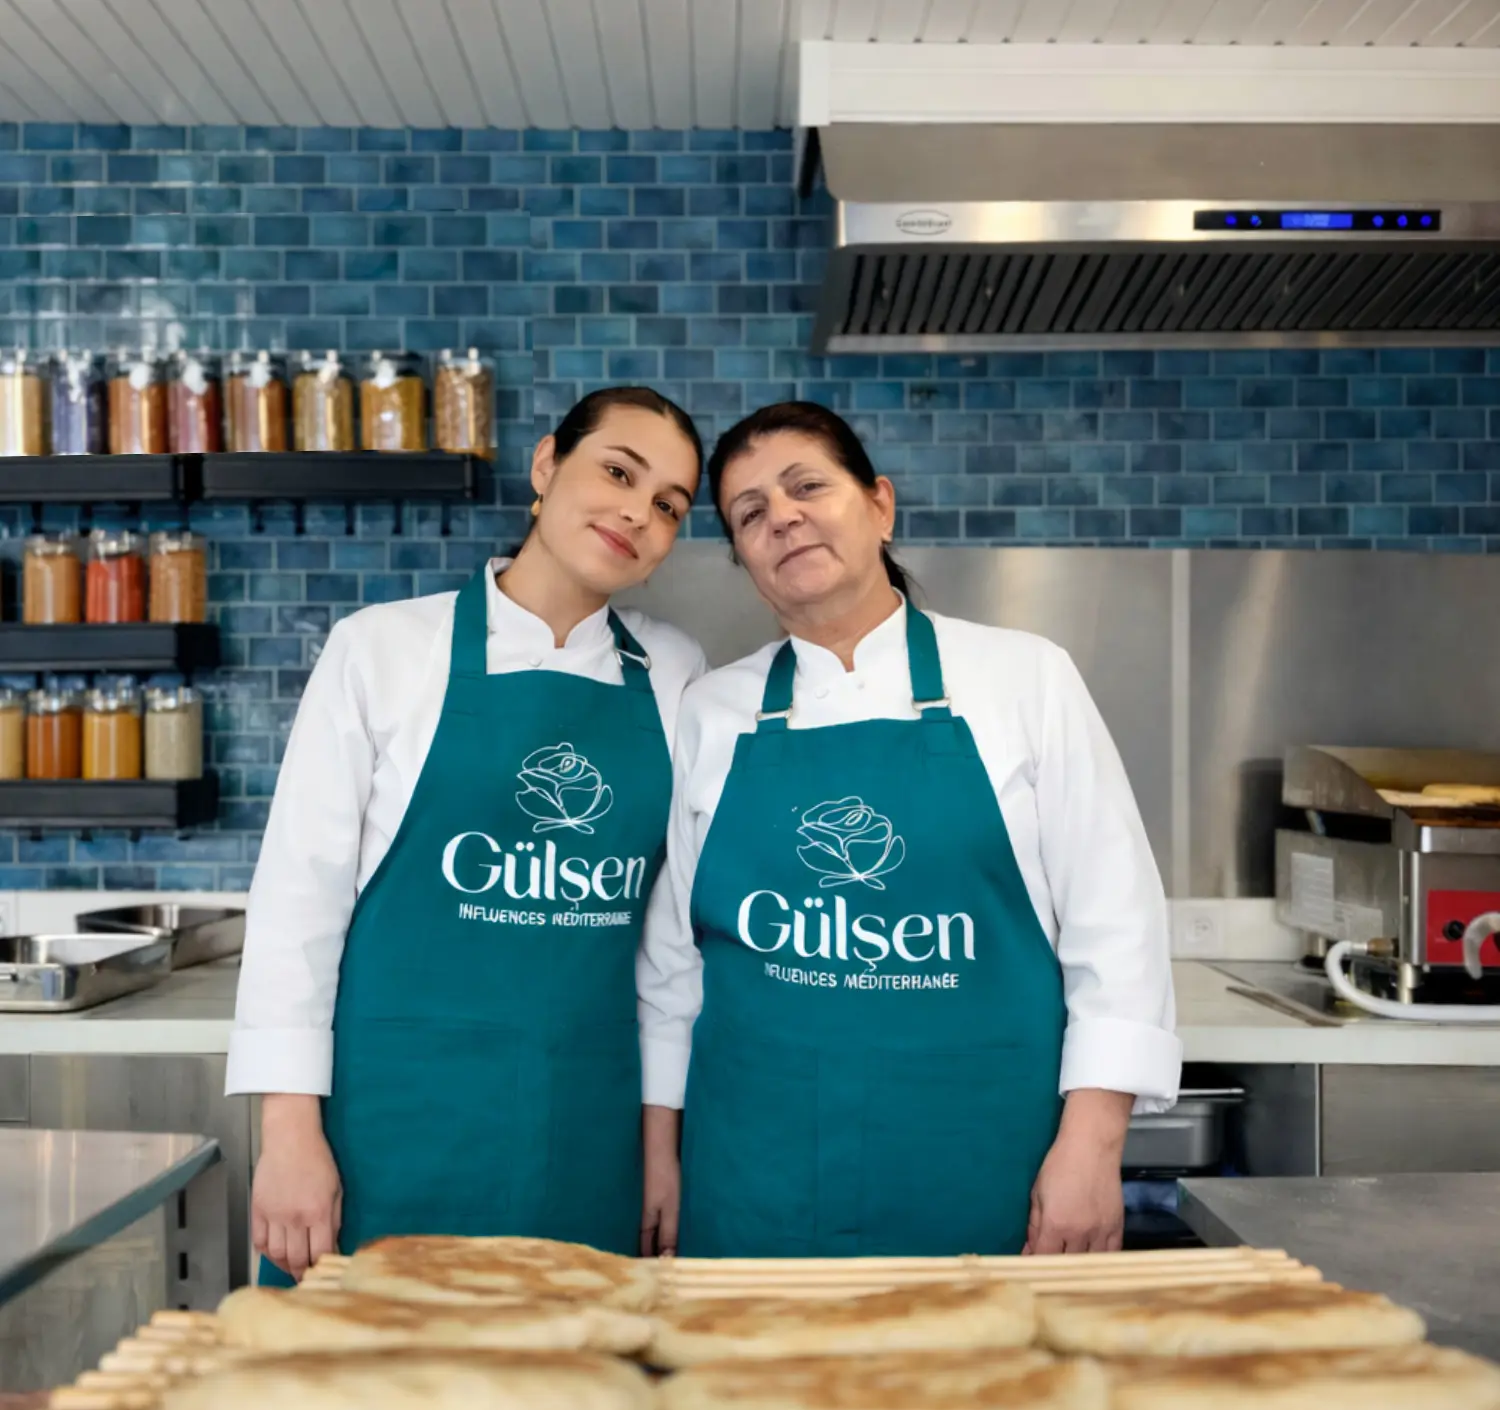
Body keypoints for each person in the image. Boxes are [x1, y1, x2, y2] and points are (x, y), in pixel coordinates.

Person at [637, 401, 1181, 1261]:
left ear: (880, 505)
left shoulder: (1024, 679)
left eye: (807, 487)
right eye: (750, 513)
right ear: (744, 559)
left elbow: (1117, 929)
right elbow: (672, 969)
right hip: (754, 1174)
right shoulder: (711, 711)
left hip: (982, 1170)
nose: (783, 517)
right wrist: (660, 1155)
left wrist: (1092, 1146)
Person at [228, 386, 708, 1283]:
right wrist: (289, 1133)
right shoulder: (381, 650)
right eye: (618, 473)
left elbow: (668, 945)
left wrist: (659, 1145)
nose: (638, 514)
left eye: (669, 506)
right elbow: (299, 903)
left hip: (588, 1131)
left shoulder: (678, 675)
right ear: (546, 464)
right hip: (391, 1124)